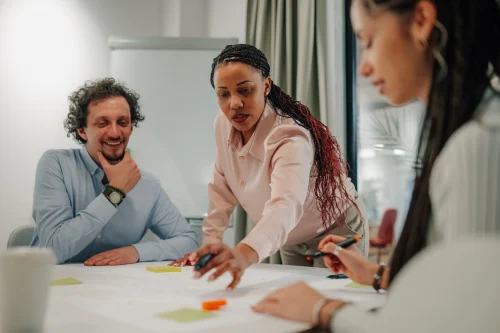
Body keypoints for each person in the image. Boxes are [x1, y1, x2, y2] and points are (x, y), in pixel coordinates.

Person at [252, 0, 500, 330]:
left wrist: (326, 311)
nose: (363, 68)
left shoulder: (477, 144)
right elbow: (456, 289)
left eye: (368, 42)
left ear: (423, 20)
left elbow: (461, 320)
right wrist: (381, 275)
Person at [171, 44, 369, 290]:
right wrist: (211, 244)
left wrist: (243, 254)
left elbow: (285, 204)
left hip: (337, 227)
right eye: (224, 94)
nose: (234, 104)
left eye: (245, 90)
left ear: (266, 86)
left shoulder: (289, 135)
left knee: (332, 306)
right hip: (288, 237)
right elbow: (221, 186)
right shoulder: (222, 124)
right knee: (293, 306)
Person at [30, 78, 199, 265]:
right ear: (82, 131)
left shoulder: (148, 185)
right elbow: (52, 250)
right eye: (102, 123)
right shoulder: (56, 165)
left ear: (131, 128)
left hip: (116, 288)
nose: (115, 133)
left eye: (122, 122)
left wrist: (136, 252)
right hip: (53, 288)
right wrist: (115, 193)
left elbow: (188, 241)